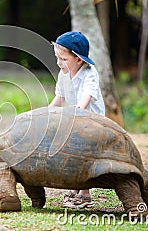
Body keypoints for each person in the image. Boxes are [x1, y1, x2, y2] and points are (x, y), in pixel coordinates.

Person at [49, 31, 105, 209]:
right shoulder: (63, 74)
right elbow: (59, 97)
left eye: (63, 59)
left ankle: (85, 194)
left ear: (79, 60)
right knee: (71, 153)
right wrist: (48, 111)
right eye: (57, 58)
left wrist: (79, 108)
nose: (59, 63)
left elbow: (87, 95)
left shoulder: (90, 73)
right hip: (74, 119)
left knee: (83, 156)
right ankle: (74, 189)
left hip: (92, 121)